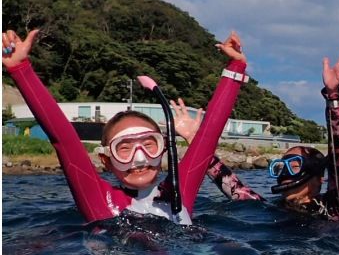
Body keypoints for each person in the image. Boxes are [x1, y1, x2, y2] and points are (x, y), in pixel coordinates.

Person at [1, 28, 248, 225]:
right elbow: (64, 140)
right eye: (125, 148)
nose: (140, 158)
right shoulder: (99, 198)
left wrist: (235, 67)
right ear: (106, 160)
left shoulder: (179, 192)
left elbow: (207, 137)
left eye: (149, 145)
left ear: (163, 150)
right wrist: (20, 69)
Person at [176, 47, 339, 223]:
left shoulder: (336, 208)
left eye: (294, 166)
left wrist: (333, 97)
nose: (285, 173)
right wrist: (195, 141)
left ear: (320, 178)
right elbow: (232, 185)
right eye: (281, 167)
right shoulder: (271, 210)